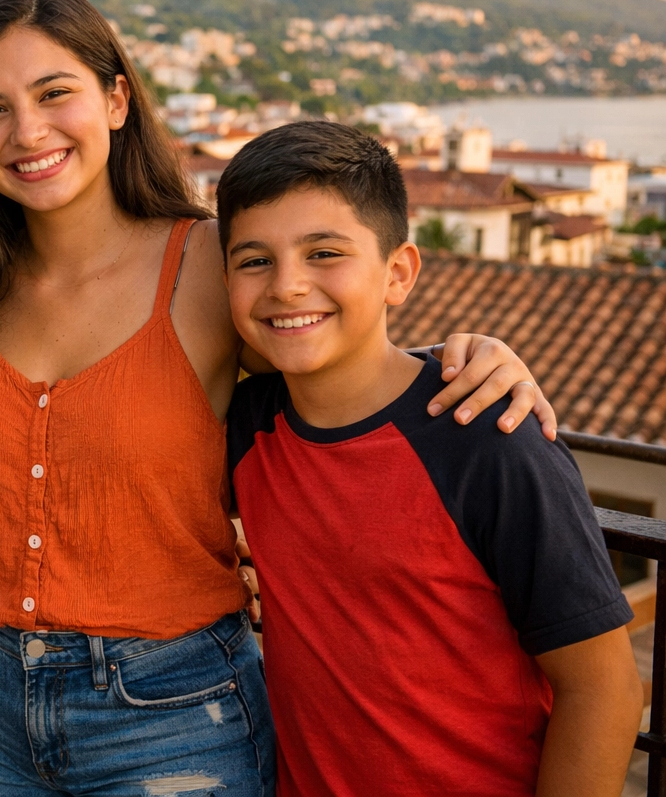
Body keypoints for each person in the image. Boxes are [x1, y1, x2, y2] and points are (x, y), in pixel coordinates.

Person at [0, 0, 558, 796]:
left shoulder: (209, 265)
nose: (27, 129)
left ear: (116, 98)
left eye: (54, 92)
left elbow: (334, 350)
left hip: (169, 708)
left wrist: (473, 356)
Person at [219, 121, 641, 797]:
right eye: (254, 260)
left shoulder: (487, 436)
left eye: (324, 252)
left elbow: (604, 688)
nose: (288, 286)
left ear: (399, 273)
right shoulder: (250, 427)